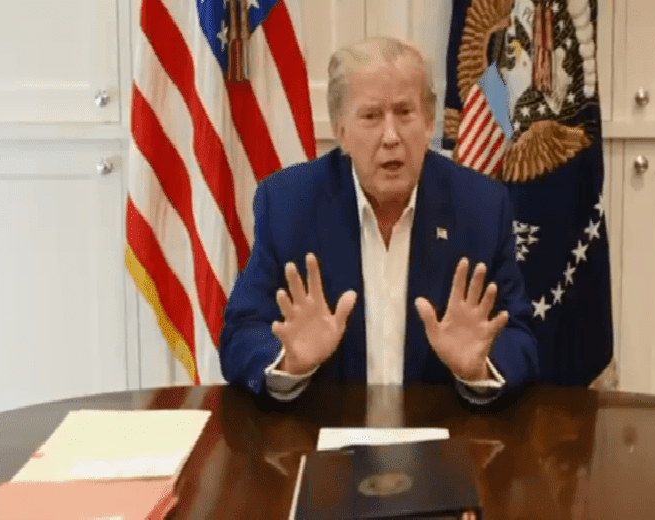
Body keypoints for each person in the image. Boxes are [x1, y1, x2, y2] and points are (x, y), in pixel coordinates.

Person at [219, 36, 538, 403]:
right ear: (341, 130)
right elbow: (241, 334)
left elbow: (519, 335)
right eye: (371, 116)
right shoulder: (289, 204)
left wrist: (479, 369)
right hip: (326, 430)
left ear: (428, 121)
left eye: (404, 112)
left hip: (442, 430)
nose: (391, 137)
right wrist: (291, 363)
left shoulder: (481, 206)